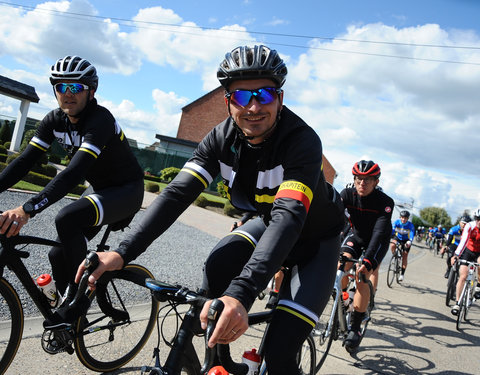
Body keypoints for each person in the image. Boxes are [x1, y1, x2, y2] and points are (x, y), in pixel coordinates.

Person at [76, 45, 345, 374]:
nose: (255, 107)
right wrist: (122, 252)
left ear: (281, 98)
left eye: (265, 94)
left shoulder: (302, 141)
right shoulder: (219, 139)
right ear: (227, 101)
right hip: (266, 222)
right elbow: (177, 195)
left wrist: (241, 294)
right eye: (242, 97)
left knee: (280, 355)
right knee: (218, 266)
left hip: (315, 241)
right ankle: (220, 363)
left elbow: (289, 216)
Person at [0, 56, 144, 327]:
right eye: (61, 87)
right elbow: (24, 161)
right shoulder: (54, 120)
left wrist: (27, 209)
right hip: (100, 190)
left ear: (91, 91)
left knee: (67, 217)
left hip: (127, 190)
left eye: (76, 88)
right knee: (58, 254)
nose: (68, 93)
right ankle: (67, 303)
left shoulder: (100, 120)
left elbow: (74, 173)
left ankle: (80, 303)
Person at [339, 160, 394, 351]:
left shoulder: (385, 202)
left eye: (368, 180)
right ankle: (345, 297)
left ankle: (355, 327)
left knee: (362, 277)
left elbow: (379, 233)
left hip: (378, 241)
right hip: (357, 235)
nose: (362, 183)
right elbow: (335, 220)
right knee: (341, 264)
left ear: (376, 182)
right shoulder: (346, 194)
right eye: (359, 179)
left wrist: (367, 260)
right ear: (354, 180)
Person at [450, 210, 480, 315]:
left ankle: (478, 286)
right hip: (468, 251)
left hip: (479, 253)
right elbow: (463, 241)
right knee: (463, 276)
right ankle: (457, 303)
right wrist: (456, 255)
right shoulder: (470, 226)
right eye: (477, 219)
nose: (479, 221)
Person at [390, 210, 415, 281]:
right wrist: (390, 235)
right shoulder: (397, 222)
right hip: (398, 238)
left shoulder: (410, 225)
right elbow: (392, 229)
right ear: (400, 217)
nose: (403, 219)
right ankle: (395, 255)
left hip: (406, 240)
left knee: (405, 255)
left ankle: (402, 274)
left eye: (405, 218)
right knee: (392, 245)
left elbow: (412, 233)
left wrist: (410, 241)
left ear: (407, 218)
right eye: (402, 217)